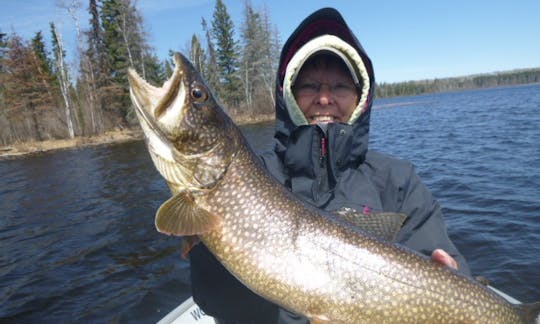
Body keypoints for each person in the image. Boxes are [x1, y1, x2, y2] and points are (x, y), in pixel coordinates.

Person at [189, 7, 471, 323]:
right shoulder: (255, 176)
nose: (325, 99)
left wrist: (452, 275)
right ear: (289, 95)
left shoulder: (398, 180)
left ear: (360, 96)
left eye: (339, 87)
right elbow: (223, 306)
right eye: (310, 86)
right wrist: (211, 248)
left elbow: (446, 265)